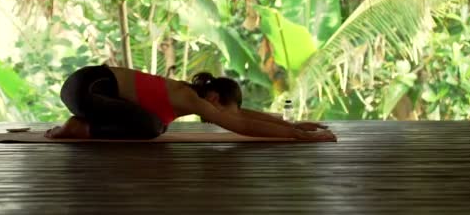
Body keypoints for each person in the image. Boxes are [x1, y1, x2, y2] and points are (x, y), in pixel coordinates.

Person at [45, 64, 336, 141]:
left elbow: (241, 114)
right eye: (221, 108)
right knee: (151, 126)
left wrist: (291, 125)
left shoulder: (191, 97)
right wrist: (299, 136)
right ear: (213, 98)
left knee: (153, 125)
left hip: (89, 88)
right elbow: (241, 123)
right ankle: (79, 128)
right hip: (88, 88)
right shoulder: (187, 97)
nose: (221, 117)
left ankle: (83, 125)